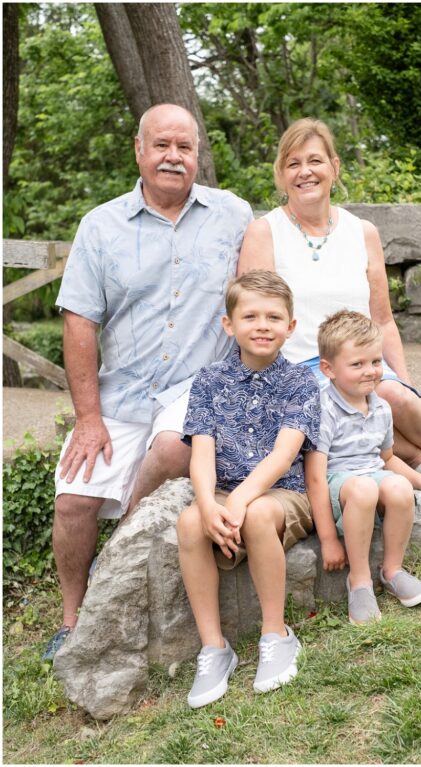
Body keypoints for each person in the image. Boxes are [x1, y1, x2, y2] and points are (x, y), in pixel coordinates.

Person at [45, 104, 253, 661]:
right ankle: (73, 616)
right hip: (122, 391)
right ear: (139, 151)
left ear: (198, 155)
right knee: (72, 499)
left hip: (197, 385)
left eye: (185, 147)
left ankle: (114, 557)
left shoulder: (233, 215)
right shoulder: (101, 225)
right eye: (162, 145)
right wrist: (88, 418)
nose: (173, 157)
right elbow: (79, 323)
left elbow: (261, 294)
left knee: (171, 446)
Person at [236, 118, 421, 494]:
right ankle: (414, 458)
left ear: (335, 167)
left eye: (315, 161)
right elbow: (252, 322)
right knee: (339, 408)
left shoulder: (362, 232)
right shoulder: (264, 232)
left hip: (363, 361)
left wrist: (409, 388)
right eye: (293, 163)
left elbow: (382, 320)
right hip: (299, 369)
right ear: (282, 176)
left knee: (391, 394)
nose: (305, 172)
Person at [177, 271, 320, 707]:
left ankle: (276, 635)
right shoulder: (208, 381)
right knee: (187, 523)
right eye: (250, 316)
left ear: (291, 327)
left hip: (283, 494)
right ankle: (215, 648)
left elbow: (283, 455)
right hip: (223, 490)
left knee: (257, 514)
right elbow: (201, 452)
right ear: (229, 324)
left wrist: (240, 501)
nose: (262, 325)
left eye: (274, 317)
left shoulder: (301, 382)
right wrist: (207, 505)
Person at [305, 310, 421, 624]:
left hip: (371, 472)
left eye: (375, 361)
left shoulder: (381, 407)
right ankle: (359, 581)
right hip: (338, 481)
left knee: (398, 486)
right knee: (365, 488)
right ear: (328, 369)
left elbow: (387, 460)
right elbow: (315, 476)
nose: (370, 372)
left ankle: (392, 570)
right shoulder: (323, 408)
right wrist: (328, 539)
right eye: (357, 364)